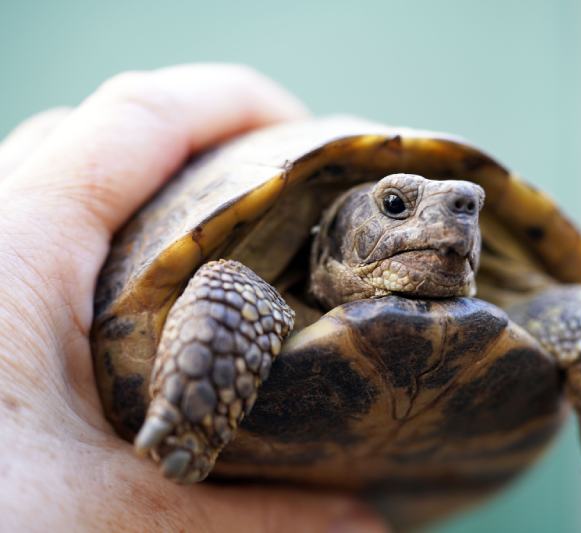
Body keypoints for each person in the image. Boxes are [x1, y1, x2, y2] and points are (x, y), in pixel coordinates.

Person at [0, 63, 387, 533]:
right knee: (232, 292)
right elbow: (225, 291)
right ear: (336, 226)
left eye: (471, 205)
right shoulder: (239, 290)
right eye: (395, 208)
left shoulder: (489, 277)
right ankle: (190, 423)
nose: (459, 215)